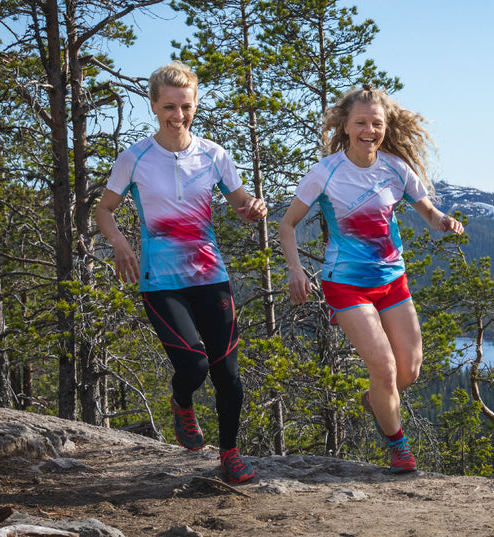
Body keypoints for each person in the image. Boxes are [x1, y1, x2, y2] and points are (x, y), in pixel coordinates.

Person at [94, 61, 266, 484]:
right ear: (153, 105)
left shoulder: (213, 155)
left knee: (228, 374)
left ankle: (229, 454)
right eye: (169, 106)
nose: (178, 115)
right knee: (193, 365)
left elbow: (241, 204)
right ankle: (181, 402)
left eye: (185, 106)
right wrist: (120, 244)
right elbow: (105, 210)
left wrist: (253, 208)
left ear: (195, 105)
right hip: (161, 281)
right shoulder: (134, 158)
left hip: (211, 276)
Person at [279, 84, 464, 474]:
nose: (369, 130)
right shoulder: (325, 173)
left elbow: (428, 212)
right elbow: (287, 224)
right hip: (345, 283)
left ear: (385, 126)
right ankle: (399, 447)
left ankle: (375, 400)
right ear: (345, 126)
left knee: (408, 370)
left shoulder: (396, 168)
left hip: (392, 280)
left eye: (376, 123)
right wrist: (297, 270)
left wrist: (442, 220)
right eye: (360, 122)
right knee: (383, 369)